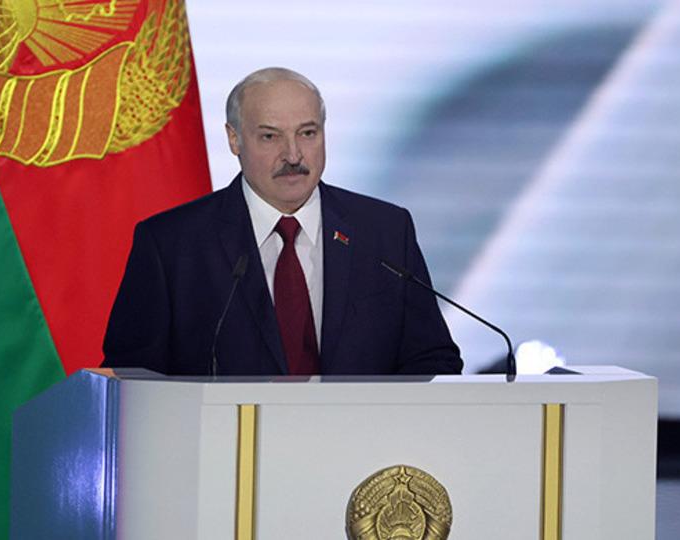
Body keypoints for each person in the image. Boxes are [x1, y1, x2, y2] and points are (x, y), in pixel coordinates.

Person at [101, 67, 461, 376]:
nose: (293, 155)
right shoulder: (172, 244)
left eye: (307, 133)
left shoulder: (384, 231)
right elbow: (132, 379)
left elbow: (432, 360)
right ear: (234, 139)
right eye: (270, 136)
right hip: (225, 437)